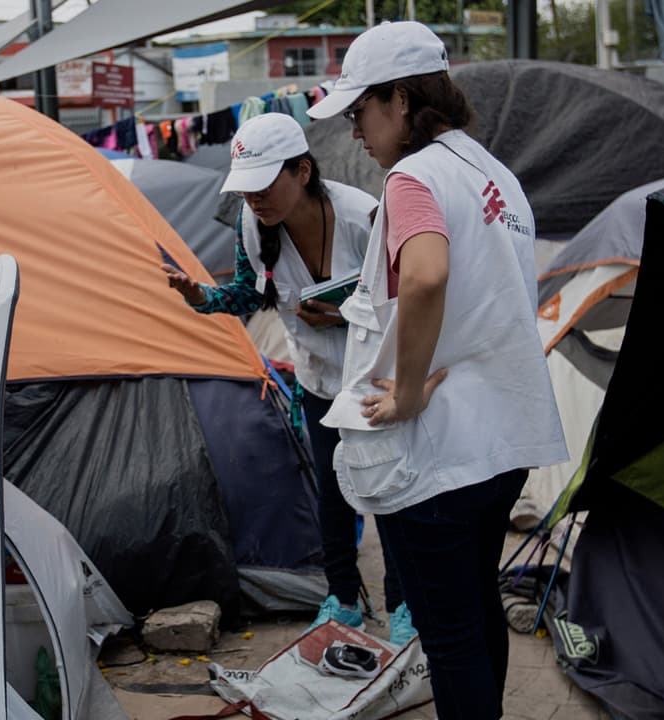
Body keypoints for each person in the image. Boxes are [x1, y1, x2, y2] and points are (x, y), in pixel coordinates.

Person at [306, 22, 569, 720]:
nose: (356, 130)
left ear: (398, 98)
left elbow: (426, 276)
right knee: (477, 607)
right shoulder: (493, 173)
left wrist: (413, 388)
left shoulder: (412, 177)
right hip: (503, 438)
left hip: (447, 448)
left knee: (448, 635)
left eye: (359, 110)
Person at [160, 112, 416, 646]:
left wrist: (344, 315)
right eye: (245, 190)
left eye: (263, 186)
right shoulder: (252, 229)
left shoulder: (362, 217)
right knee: (331, 496)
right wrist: (202, 298)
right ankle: (343, 599)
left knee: (384, 492)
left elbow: (403, 300)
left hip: (372, 380)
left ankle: (403, 603)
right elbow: (251, 297)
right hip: (317, 381)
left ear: (302, 171)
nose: (254, 200)